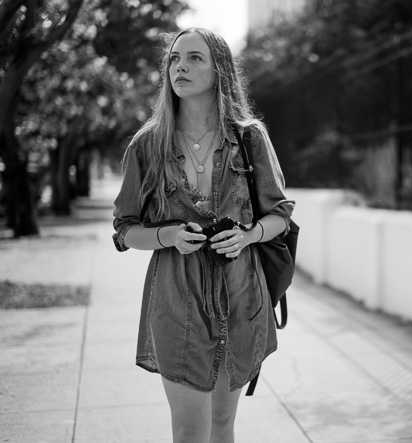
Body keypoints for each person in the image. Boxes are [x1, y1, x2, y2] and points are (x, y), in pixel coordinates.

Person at [112, 27, 294, 443]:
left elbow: (281, 214)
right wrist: (168, 236)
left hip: (241, 293)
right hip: (176, 298)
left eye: (194, 58)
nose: (181, 67)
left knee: (222, 424)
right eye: (174, 59)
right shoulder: (147, 145)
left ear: (220, 70)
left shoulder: (249, 137)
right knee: (190, 431)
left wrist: (249, 235)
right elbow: (125, 230)